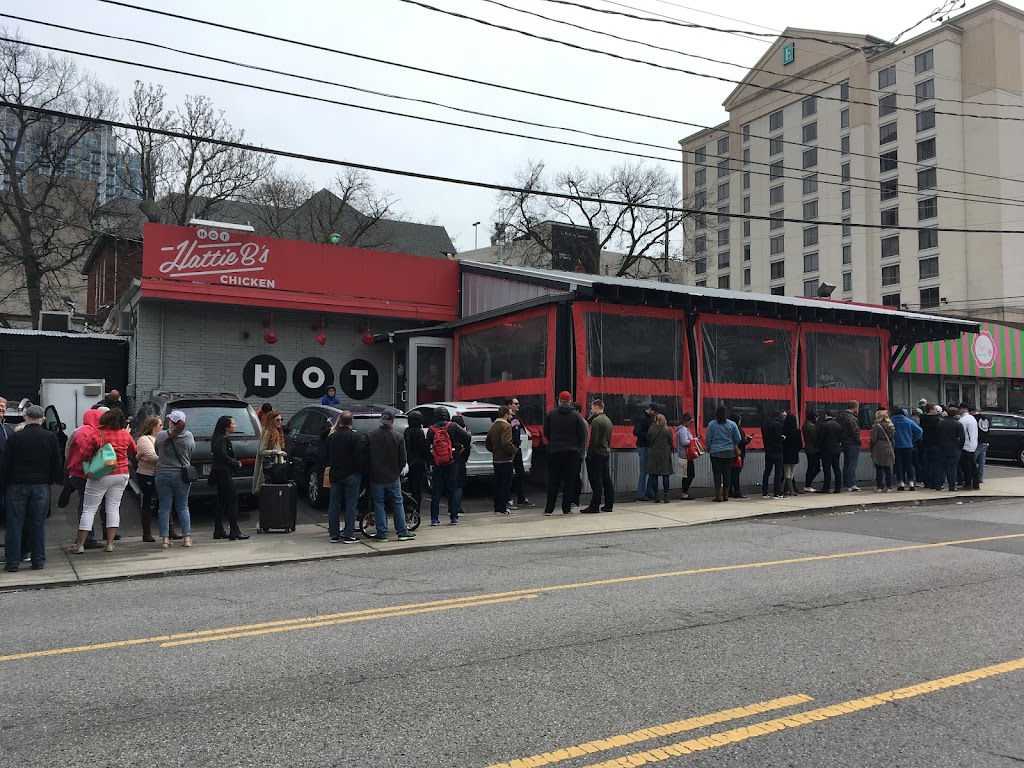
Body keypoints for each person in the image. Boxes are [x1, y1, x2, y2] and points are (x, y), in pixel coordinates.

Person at [0, 405, 62, 572]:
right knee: (37, 524)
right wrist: (53, 479)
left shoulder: (15, 437)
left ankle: (12, 562)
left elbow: (5, 464)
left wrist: (5, 482)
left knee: (14, 524)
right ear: (42, 419)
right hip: (40, 485)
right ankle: (38, 560)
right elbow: (57, 462)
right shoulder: (50, 437)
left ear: (25, 417)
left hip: (16, 485)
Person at [70, 409, 137, 554]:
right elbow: (134, 448)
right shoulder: (125, 434)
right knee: (113, 508)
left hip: (101, 474)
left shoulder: (97, 434)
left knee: (89, 509)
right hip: (122, 473)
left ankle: (80, 544)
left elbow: (83, 455)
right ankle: (110, 544)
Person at [366, 408, 415, 542]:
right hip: (393, 476)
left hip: (376, 476)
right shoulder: (398, 437)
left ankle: (382, 533)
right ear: (392, 422)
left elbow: (366, 457)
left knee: (379, 504)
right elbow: (403, 459)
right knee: (397, 503)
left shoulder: (371, 435)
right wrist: (397, 471)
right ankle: (402, 531)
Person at [543, 391, 588, 516]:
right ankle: (566, 508)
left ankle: (549, 509)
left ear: (559, 401)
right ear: (570, 401)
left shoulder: (551, 414)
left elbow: (546, 432)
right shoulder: (576, 416)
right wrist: (576, 447)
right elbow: (582, 435)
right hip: (571, 452)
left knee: (553, 481)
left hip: (555, 451)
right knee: (570, 481)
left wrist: (553, 442)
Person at [155, 411, 195, 549]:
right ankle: (187, 538)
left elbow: (157, 451)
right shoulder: (188, 436)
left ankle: (165, 539)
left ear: (171, 421)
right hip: (181, 475)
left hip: (162, 474)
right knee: (183, 506)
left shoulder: (161, 435)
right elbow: (191, 452)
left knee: (165, 508)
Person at [65, 409, 105, 548]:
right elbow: (86, 453)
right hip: (82, 473)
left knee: (85, 505)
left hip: (77, 473)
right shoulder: (86, 432)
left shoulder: (83, 430)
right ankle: (87, 539)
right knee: (87, 507)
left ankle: (85, 537)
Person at [427, 409, 471, 526]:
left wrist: (432, 458)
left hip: (437, 463)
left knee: (436, 491)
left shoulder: (431, 429)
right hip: (452, 461)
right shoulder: (453, 426)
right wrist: (459, 447)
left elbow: (427, 446)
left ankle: (434, 519)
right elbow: (467, 436)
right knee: (452, 489)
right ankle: (453, 516)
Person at [327, 411, 364, 543]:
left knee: (334, 505)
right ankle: (348, 534)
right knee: (350, 505)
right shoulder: (355, 437)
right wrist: (360, 471)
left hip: (336, 474)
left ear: (340, 421)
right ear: (351, 422)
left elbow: (327, 456)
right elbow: (358, 457)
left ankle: (334, 534)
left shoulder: (332, 437)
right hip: (351, 474)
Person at [210, 415, 248, 541]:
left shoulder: (221, 438)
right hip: (223, 472)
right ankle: (234, 530)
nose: (235, 425)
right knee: (233, 499)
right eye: (233, 423)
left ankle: (219, 529)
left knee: (221, 501)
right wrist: (235, 463)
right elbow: (222, 454)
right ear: (226, 426)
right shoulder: (221, 439)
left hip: (221, 472)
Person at [133, 415, 162, 543]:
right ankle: (147, 532)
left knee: (165, 501)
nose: (162, 427)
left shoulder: (162, 438)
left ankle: (170, 530)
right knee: (148, 502)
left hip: (160, 474)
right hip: (147, 474)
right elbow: (151, 456)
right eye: (160, 425)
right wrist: (166, 458)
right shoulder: (144, 440)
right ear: (153, 427)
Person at [583, 399, 614, 513]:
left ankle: (594, 504)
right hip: (605, 451)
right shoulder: (608, 420)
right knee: (606, 479)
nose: (591, 410)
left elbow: (593, 439)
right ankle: (609, 504)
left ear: (596, 407)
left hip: (597, 452)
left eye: (591, 408)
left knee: (596, 479)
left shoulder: (597, 421)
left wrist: (590, 452)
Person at [705, 406, 741, 503]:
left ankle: (718, 496)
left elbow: (708, 439)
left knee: (717, 474)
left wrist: (708, 449)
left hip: (715, 452)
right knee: (727, 473)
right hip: (729, 452)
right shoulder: (732, 424)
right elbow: (738, 438)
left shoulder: (711, 425)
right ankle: (726, 495)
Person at [485, 405, 516, 516]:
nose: (511, 417)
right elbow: (506, 442)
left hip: (496, 459)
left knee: (498, 484)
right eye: (510, 414)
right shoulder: (506, 426)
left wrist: (493, 450)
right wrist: (514, 450)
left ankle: (497, 507)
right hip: (505, 459)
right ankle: (502, 508)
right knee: (505, 485)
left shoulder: (493, 426)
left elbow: (487, 442)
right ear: (505, 414)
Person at [504, 397, 532, 509]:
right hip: (510, 449)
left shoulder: (516, 418)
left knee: (520, 474)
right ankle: (507, 499)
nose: (518, 405)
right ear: (509, 405)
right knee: (507, 475)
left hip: (517, 448)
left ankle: (521, 498)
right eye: (516, 403)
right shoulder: (507, 419)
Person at [253, 409, 287, 495]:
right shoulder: (268, 432)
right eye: (277, 420)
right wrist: (276, 452)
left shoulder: (277, 432)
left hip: (274, 466)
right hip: (268, 467)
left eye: (281, 420)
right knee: (268, 493)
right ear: (271, 421)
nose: (280, 422)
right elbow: (262, 451)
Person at [891, 407, 923, 491]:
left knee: (898, 464)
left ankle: (901, 483)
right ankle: (911, 483)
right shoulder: (908, 421)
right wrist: (912, 439)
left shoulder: (891, 421)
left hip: (896, 446)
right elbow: (919, 431)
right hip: (908, 445)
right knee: (909, 464)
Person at [404, 410, 429, 515]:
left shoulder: (407, 431)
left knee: (408, 487)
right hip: (419, 463)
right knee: (417, 488)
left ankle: (407, 508)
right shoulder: (419, 432)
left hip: (408, 462)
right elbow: (423, 448)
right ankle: (416, 510)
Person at [935, 405, 966, 491]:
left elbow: (937, 435)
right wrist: (960, 447)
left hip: (942, 447)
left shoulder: (940, 423)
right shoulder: (958, 424)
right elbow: (962, 438)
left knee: (941, 467)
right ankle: (951, 486)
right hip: (954, 448)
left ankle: (939, 485)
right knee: (952, 468)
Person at [645, 413, 674, 503]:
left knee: (654, 475)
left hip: (654, 453)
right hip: (665, 453)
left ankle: (656, 496)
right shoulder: (667, 430)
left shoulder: (651, 429)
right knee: (666, 474)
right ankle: (666, 496)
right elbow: (671, 441)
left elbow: (648, 441)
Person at [632, 403, 657, 502]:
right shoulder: (643, 418)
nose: (654, 414)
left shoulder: (644, 417)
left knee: (646, 470)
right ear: (650, 409)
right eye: (654, 412)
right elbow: (636, 432)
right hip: (644, 446)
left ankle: (645, 492)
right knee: (645, 470)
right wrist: (648, 436)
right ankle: (642, 493)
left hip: (643, 445)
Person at [761, 409, 786, 499]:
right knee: (778, 472)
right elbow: (778, 438)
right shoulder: (778, 425)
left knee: (767, 471)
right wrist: (782, 438)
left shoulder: (765, 425)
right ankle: (777, 493)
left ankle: (765, 492)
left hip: (768, 450)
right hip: (777, 450)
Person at [869, 409, 896, 492]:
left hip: (879, 447)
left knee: (879, 467)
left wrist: (871, 446)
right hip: (888, 446)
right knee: (887, 468)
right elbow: (892, 439)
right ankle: (888, 487)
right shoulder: (891, 426)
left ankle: (879, 486)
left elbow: (873, 439)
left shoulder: (877, 426)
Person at [817, 411, 843, 494]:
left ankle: (826, 487)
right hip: (836, 449)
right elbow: (840, 438)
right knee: (836, 468)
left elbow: (820, 438)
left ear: (826, 416)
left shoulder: (824, 425)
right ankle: (838, 487)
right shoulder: (838, 425)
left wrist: (818, 447)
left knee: (827, 469)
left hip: (826, 450)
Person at [838, 401, 862, 491]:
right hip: (852, 443)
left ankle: (846, 483)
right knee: (852, 464)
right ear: (855, 407)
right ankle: (851, 484)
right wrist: (859, 442)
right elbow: (855, 432)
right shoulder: (852, 418)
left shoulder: (841, 417)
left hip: (844, 442)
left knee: (846, 464)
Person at [729, 413, 753, 499]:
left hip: (730, 452)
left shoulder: (729, 428)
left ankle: (730, 490)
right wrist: (749, 439)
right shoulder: (738, 429)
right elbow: (742, 442)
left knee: (731, 473)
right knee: (736, 472)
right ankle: (737, 491)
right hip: (738, 452)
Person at [958, 402, 980, 491]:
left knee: (966, 466)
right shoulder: (972, 418)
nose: (958, 410)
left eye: (960, 409)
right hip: (973, 444)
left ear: (964, 409)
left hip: (966, 445)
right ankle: (976, 483)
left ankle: (967, 483)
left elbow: (961, 434)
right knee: (973, 465)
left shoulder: (963, 420)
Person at [675, 412, 697, 501]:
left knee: (686, 474)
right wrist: (693, 440)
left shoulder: (682, 429)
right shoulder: (683, 430)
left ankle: (684, 492)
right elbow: (684, 442)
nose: (691, 424)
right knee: (689, 474)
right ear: (686, 421)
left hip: (684, 454)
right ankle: (684, 492)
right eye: (691, 422)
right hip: (685, 455)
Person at [919, 403, 941, 489]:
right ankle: (934, 482)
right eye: (935, 409)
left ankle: (926, 482)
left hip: (925, 443)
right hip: (935, 443)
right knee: (935, 464)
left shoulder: (922, 418)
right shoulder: (937, 420)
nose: (936, 410)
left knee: (925, 464)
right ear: (931, 410)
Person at [781, 411, 802, 497]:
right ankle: (788, 489)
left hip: (786, 453)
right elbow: (800, 444)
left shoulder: (783, 430)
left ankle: (790, 490)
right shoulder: (797, 431)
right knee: (791, 472)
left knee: (786, 472)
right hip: (794, 453)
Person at [569, 401, 586, 509]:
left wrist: (580, 452)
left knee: (575, 476)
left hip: (578, 453)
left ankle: (575, 500)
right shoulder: (575, 421)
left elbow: (583, 439)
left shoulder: (581, 422)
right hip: (575, 452)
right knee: (572, 476)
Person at [802, 411, 820, 493]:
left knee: (810, 467)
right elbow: (816, 438)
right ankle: (808, 484)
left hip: (808, 448)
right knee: (816, 467)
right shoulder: (812, 427)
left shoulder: (805, 425)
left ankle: (808, 484)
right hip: (813, 449)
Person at [972, 406, 990, 484]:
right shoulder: (985, 418)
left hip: (979, 442)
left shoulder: (974, 419)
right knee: (982, 461)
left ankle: (973, 477)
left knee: (972, 459)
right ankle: (980, 477)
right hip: (986, 441)